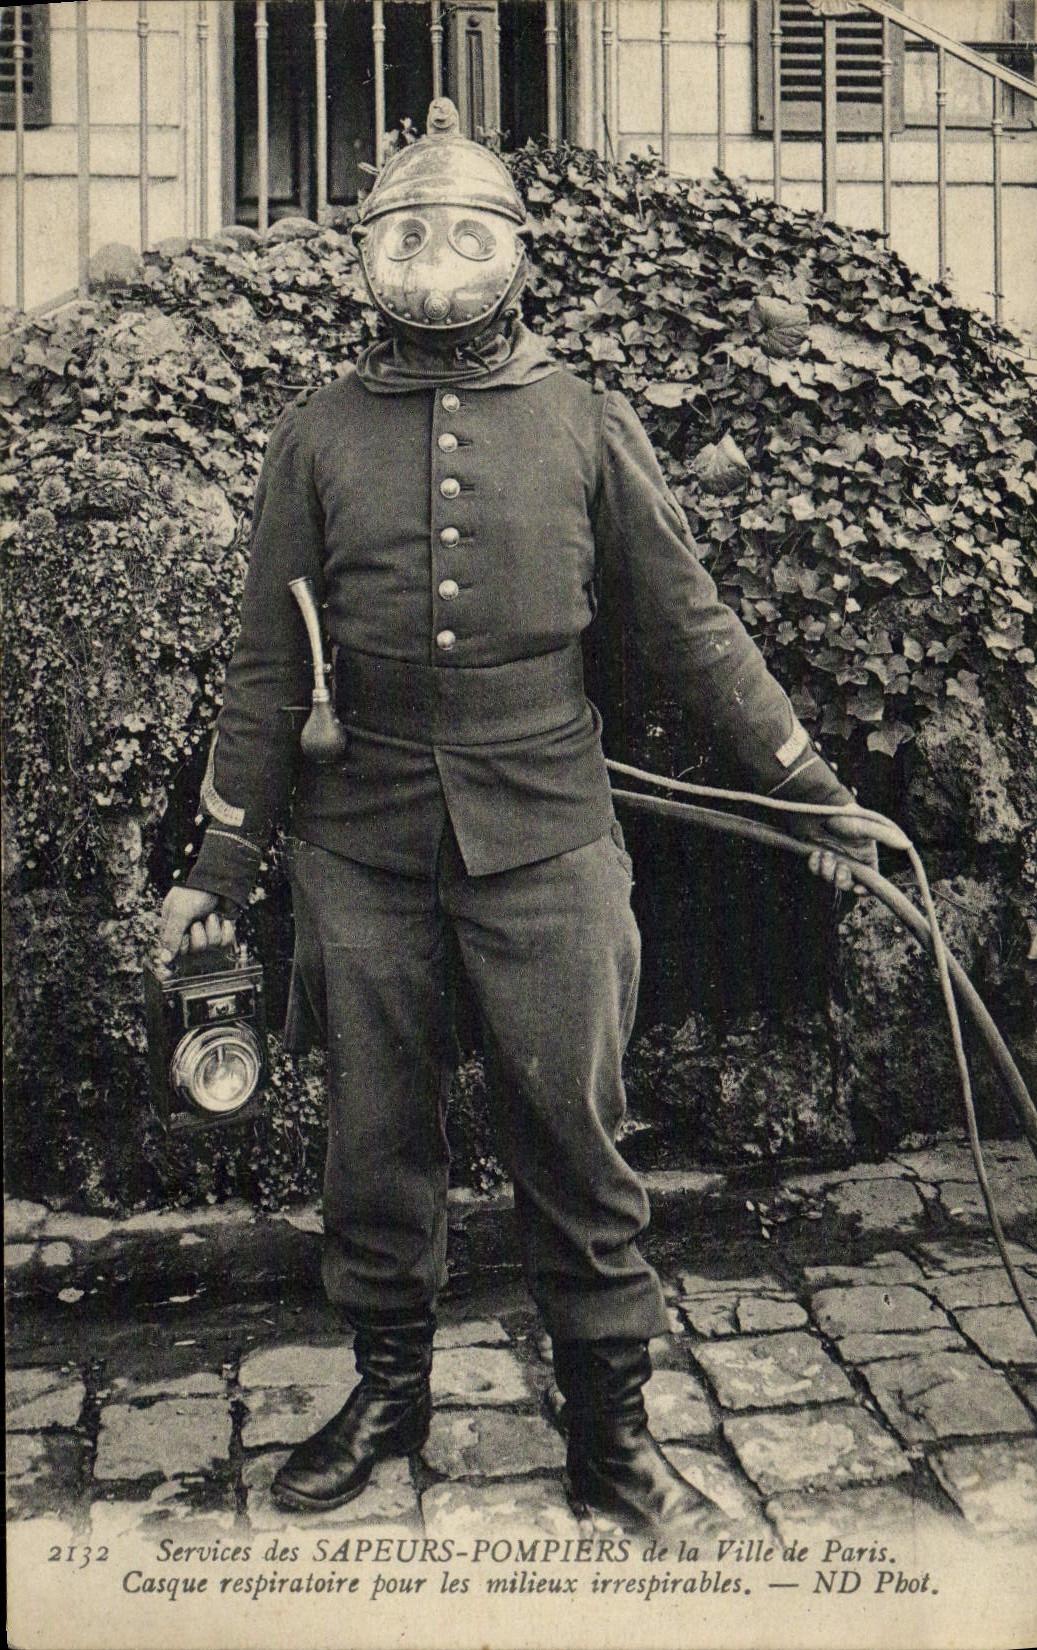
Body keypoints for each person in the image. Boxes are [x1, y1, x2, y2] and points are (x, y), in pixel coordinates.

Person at [159, 99, 878, 1534]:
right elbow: (258, 663)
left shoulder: (586, 421)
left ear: (519, 257)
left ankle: (612, 1438)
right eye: (410, 234)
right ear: (370, 256)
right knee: (374, 1138)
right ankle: (386, 1392)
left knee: (576, 1136)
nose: (437, 260)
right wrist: (219, 864)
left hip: (548, 836)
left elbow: (693, 631)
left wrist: (813, 791)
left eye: (467, 234)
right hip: (360, 849)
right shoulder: (316, 434)